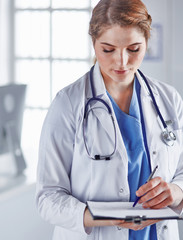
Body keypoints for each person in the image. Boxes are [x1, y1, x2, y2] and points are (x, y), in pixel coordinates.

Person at [36, 0, 183, 239]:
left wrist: (175, 192)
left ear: (146, 42)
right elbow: (48, 197)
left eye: (134, 49)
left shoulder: (168, 99)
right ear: (93, 43)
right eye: (108, 49)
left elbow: (181, 171)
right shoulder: (68, 103)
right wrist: (98, 215)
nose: (122, 62)